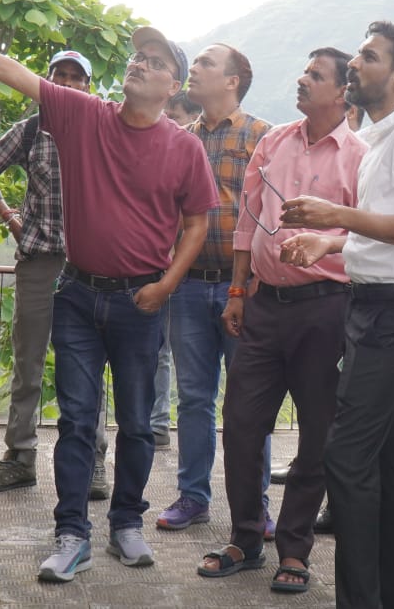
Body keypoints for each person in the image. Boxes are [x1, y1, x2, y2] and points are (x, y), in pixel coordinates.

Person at [0, 13, 217, 583]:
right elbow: (17, 74)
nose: (141, 64)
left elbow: (197, 224)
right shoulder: (86, 115)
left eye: (156, 62)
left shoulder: (184, 149)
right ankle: (71, 533)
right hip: (78, 295)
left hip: (140, 301)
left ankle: (126, 523)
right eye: (139, 57)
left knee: (137, 424)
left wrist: (166, 285)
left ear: (173, 86)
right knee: (77, 421)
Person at [277, 20, 394, 609]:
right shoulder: (384, 136)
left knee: (346, 457)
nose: (354, 63)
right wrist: (332, 242)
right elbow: (389, 235)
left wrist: (337, 217)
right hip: (376, 306)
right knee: (386, 461)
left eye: (368, 56)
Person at [196, 46, 367, 594]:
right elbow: (248, 220)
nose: (302, 79)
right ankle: (246, 538)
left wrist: (327, 243)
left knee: (317, 433)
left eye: (315, 75)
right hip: (264, 305)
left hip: (327, 308)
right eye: (303, 71)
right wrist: (238, 290)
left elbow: (369, 233)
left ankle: (294, 549)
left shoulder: (360, 156)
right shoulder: (273, 142)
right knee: (241, 424)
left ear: (342, 91)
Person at [0, 50, 110, 500]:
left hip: (90, 267)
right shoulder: (31, 130)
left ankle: (93, 460)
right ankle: (20, 457)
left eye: (75, 77)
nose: (66, 83)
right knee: (28, 361)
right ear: (46, 81)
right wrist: (10, 217)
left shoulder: (102, 130)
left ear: (88, 87)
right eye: (58, 75)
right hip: (40, 262)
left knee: (88, 365)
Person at [158, 44, 273, 531]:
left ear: (232, 81)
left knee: (250, 401)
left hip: (241, 287)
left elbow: (271, 213)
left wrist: (251, 283)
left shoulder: (262, 136)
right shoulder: (180, 139)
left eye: (206, 63)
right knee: (194, 399)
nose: (196, 69)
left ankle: (255, 505)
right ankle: (192, 497)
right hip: (188, 286)